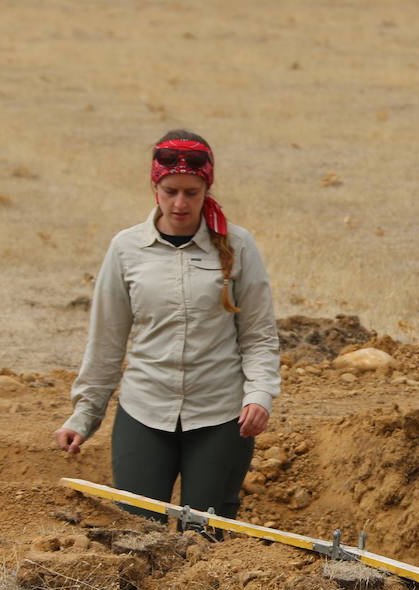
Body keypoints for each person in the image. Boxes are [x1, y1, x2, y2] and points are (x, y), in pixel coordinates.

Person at [54, 129, 280, 527]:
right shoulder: (125, 249)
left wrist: (259, 395)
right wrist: (84, 415)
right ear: (154, 188)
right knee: (137, 529)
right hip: (145, 410)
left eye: (192, 192)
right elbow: (106, 341)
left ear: (207, 188)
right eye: (171, 190)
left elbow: (259, 334)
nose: (180, 203)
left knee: (206, 532)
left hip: (221, 415)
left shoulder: (239, 246)